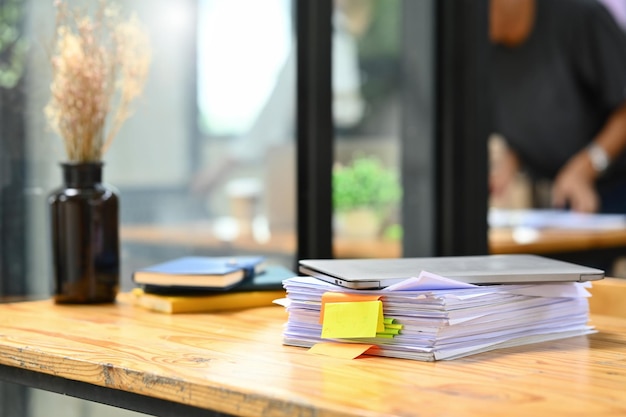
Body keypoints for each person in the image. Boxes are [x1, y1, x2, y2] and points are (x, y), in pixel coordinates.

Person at [489, 0, 626, 214]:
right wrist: (509, 163)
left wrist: (587, 166)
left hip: (614, 190)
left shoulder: (581, 18)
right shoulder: (485, 52)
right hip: (561, 201)